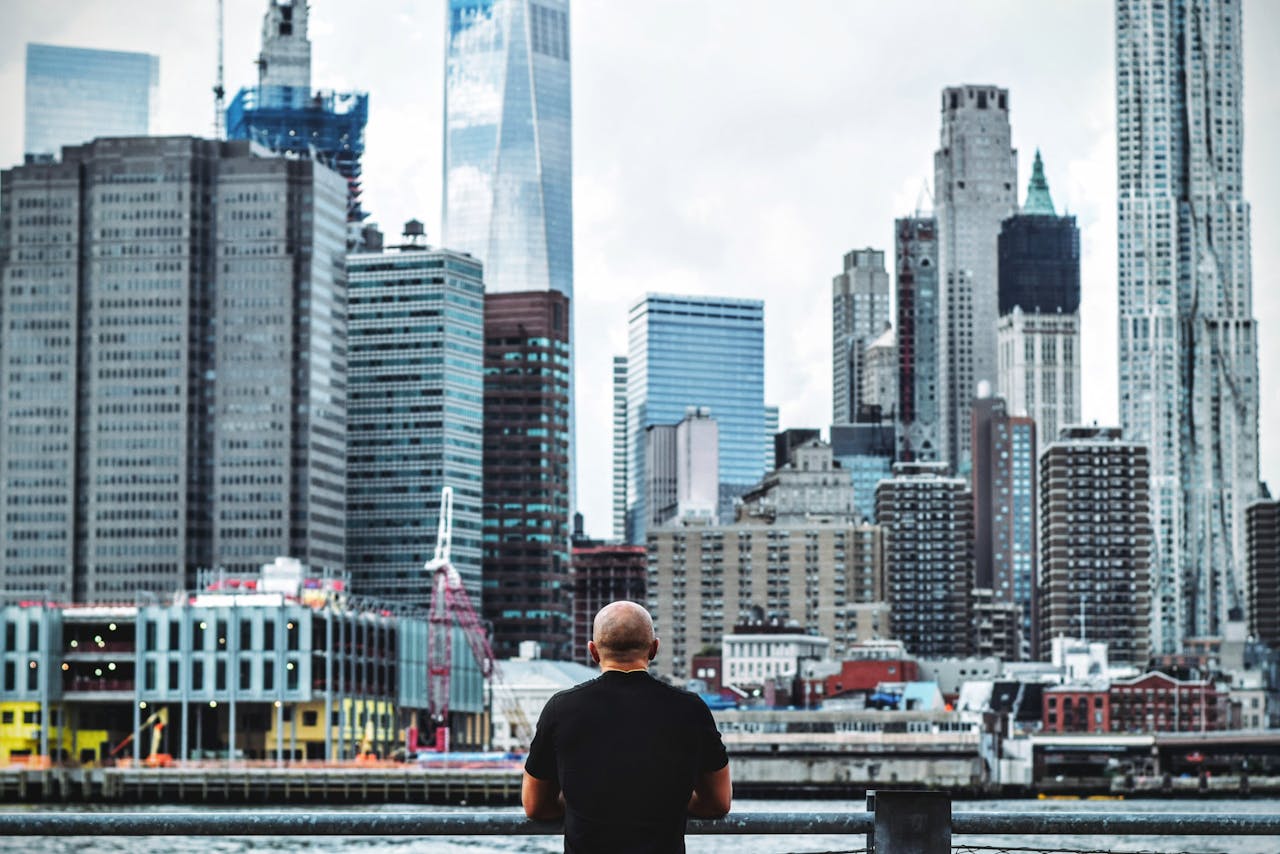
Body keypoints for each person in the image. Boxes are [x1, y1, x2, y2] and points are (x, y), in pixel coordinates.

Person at [522, 600, 731, 853]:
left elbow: (535, 806)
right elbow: (718, 803)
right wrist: (668, 803)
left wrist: (584, 804)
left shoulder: (560, 709)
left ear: (593, 651)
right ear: (654, 649)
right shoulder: (690, 709)